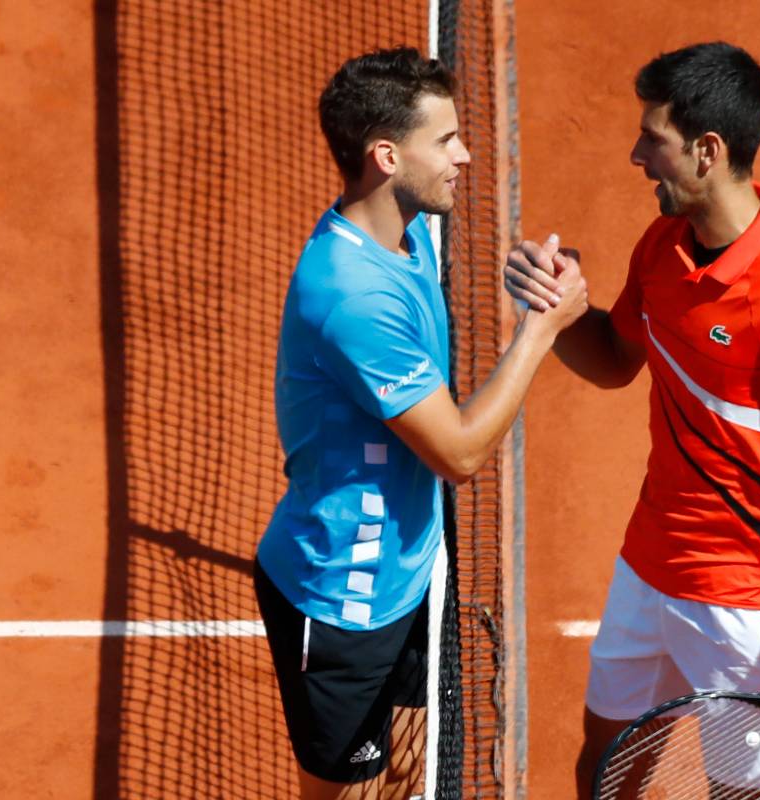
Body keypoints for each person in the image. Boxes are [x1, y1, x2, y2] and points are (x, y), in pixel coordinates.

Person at [504, 42, 760, 798]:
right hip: (649, 564)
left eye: (654, 138)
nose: (636, 154)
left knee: (740, 795)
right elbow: (615, 361)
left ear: (708, 152)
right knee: (606, 771)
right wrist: (560, 312)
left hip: (750, 606)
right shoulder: (662, 248)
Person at [255, 48, 587, 800]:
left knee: (406, 770)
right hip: (344, 597)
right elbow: (461, 453)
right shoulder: (351, 296)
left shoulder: (408, 233)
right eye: (445, 140)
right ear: (385, 155)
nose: (464, 155)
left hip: (406, 573)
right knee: (343, 794)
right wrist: (541, 329)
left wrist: (519, 274)